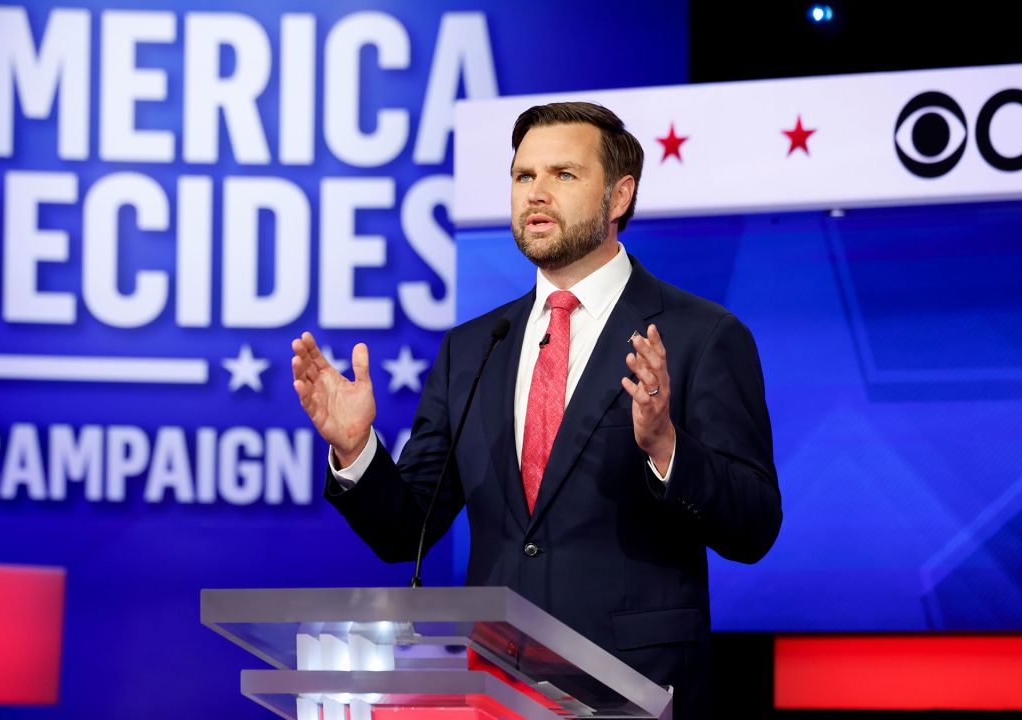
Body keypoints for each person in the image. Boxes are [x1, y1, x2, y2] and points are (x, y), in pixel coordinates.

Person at [290, 101, 781, 717]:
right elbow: (406, 530)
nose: (536, 194)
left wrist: (665, 447)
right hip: (496, 691)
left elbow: (755, 525)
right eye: (524, 177)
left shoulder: (700, 335)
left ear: (619, 196)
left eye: (563, 175)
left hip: (637, 691)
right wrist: (357, 451)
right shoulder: (472, 348)